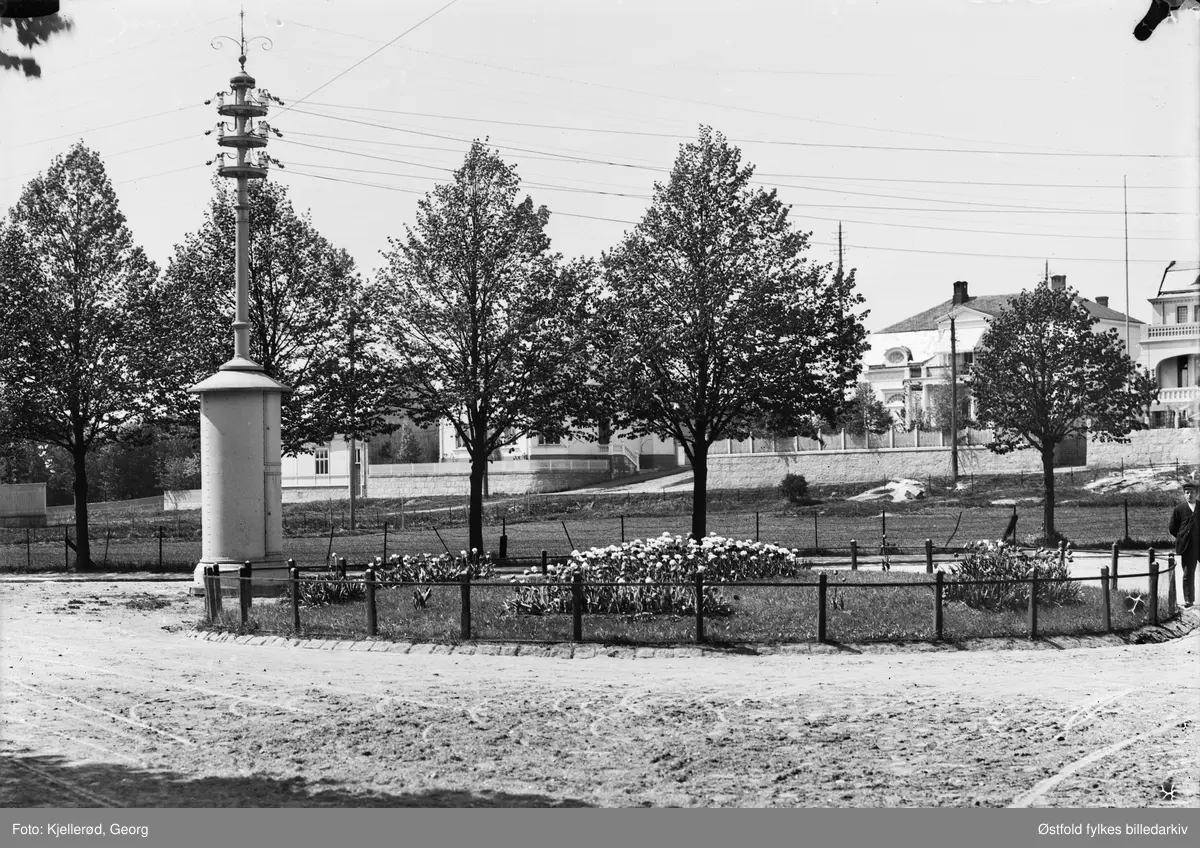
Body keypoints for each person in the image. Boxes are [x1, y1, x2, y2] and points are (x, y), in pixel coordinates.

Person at [1168, 479, 1198, 608]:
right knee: (1187, 573)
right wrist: (1183, 538)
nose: (1189, 495)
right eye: (1187, 492)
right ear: (1184, 494)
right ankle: (1188, 600)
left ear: (1197, 494)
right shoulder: (1179, 509)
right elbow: (1173, 528)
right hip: (1187, 547)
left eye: (1192, 492)